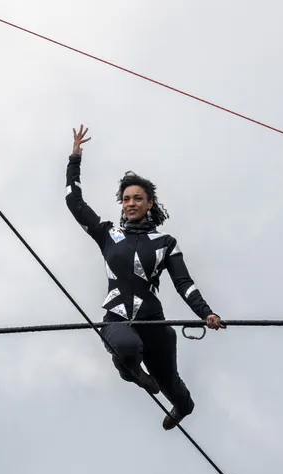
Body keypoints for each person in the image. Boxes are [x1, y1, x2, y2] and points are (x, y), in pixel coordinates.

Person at [64, 124, 225, 431]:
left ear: (149, 203)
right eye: (126, 199)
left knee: (174, 389)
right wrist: (75, 161)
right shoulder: (107, 234)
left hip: (154, 324)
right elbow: (75, 203)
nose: (131, 203)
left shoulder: (166, 243)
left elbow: (184, 284)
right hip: (117, 319)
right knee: (125, 350)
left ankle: (183, 407)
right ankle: (137, 374)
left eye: (138, 198)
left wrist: (207, 313)